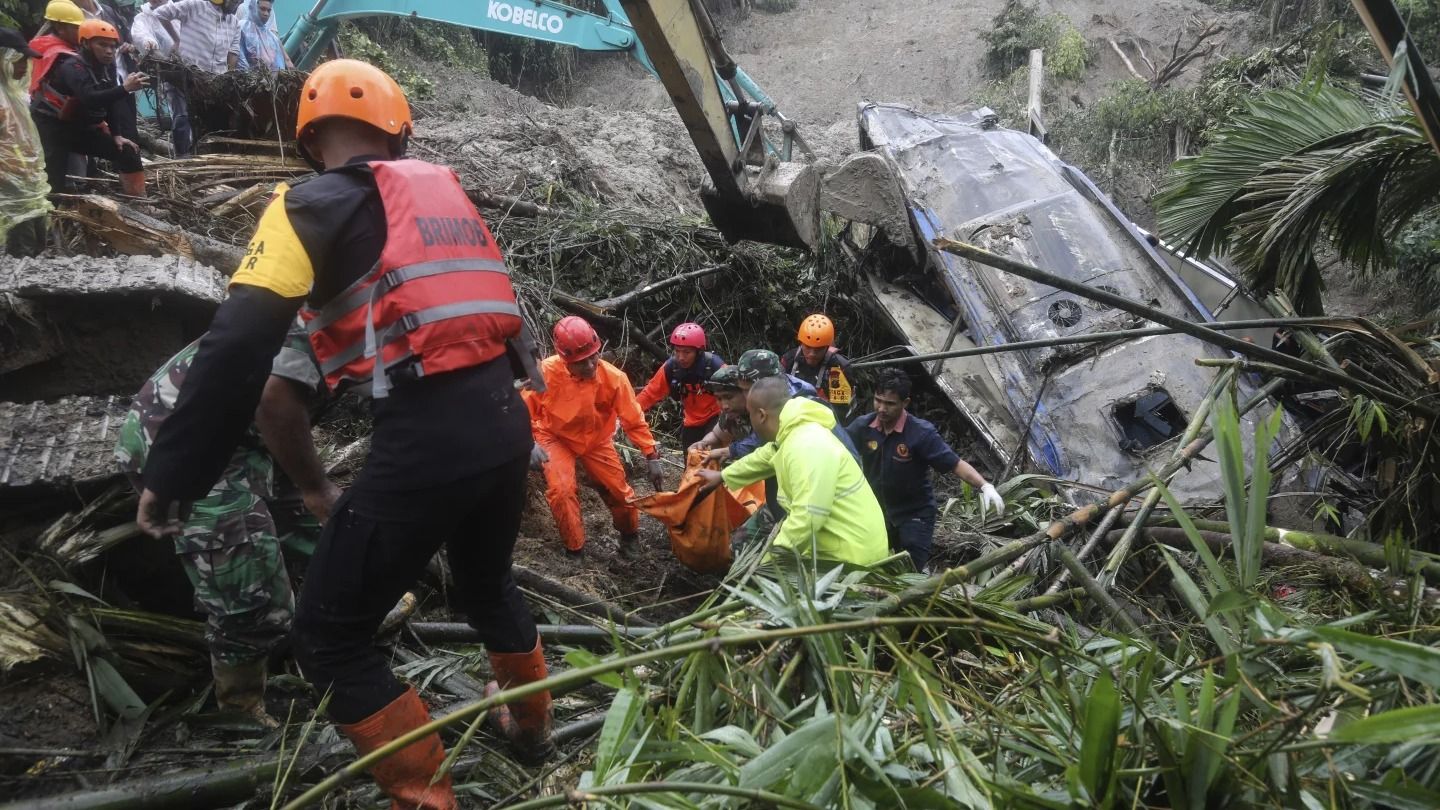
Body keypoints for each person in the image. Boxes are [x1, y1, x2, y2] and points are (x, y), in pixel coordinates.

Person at [132, 60, 552, 807]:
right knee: (489, 584)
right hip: (505, 420)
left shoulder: (304, 206)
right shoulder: (441, 193)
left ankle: (428, 800)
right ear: (399, 129)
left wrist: (175, 472)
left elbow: (238, 345)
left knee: (328, 638)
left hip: (428, 441)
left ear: (308, 136)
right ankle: (532, 726)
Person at [114, 322, 333, 728]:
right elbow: (273, 400)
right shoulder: (323, 323)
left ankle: (340, 617)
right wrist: (316, 486)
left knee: (314, 532)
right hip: (182, 449)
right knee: (252, 596)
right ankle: (240, 708)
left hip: (247, 438)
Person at [697, 376, 887, 566]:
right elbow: (767, 455)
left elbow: (807, 517)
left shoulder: (807, 445)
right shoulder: (792, 432)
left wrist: (767, 563)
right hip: (836, 542)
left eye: (750, 413)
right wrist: (723, 476)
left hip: (850, 556)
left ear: (761, 415)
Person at [524, 315, 666, 557]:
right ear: (565, 359)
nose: (590, 366)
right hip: (554, 436)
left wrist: (651, 455)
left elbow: (633, 418)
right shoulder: (546, 373)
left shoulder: (614, 379)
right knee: (562, 491)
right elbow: (522, 411)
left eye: (593, 357)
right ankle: (574, 549)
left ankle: (629, 535)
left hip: (596, 440)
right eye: (581, 362)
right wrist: (527, 444)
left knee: (619, 491)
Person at [847, 368, 1005, 570]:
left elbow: (954, 464)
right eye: (878, 400)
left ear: (905, 403)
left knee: (910, 569)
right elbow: (837, 449)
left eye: (890, 404)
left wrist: (984, 486)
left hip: (915, 514)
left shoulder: (920, 433)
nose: (881, 408)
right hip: (876, 510)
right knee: (875, 565)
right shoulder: (863, 426)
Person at [30, 15, 149, 196]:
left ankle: (140, 202)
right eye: (102, 45)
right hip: (52, 127)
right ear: (85, 44)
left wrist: (117, 135)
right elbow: (90, 98)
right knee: (54, 179)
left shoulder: (106, 66)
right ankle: (53, 216)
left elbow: (110, 102)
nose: (109, 51)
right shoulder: (72, 66)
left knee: (127, 151)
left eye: (112, 46)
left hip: (79, 127)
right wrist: (124, 89)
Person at [152, 0, 242, 156]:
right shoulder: (195, 6)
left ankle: (204, 160)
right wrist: (176, 39)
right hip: (185, 78)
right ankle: (182, 163)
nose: (237, 4)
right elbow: (161, 13)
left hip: (213, 83)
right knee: (183, 119)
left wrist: (228, 75)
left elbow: (233, 53)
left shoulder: (234, 23)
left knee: (207, 126)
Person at [0, 28, 51, 256]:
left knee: (39, 240)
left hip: (27, 182)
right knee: (21, 247)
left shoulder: (14, 94)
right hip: (9, 187)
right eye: (19, 60)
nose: (24, 67)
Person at [635, 321, 725, 449]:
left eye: (686, 352)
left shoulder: (715, 366)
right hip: (691, 421)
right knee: (691, 460)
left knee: (708, 456)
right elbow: (649, 394)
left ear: (698, 352)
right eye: (677, 351)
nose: (681, 357)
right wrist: (627, 414)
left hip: (715, 416)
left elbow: (735, 393)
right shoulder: (671, 368)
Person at [780, 313, 855, 416]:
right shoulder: (789, 360)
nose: (812, 354)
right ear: (801, 343)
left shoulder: (837, 369)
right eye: (807, 347)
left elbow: (841, 411)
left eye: (819, 349)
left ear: (828, 347)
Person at [235, 0, 289, 71]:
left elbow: (279, 67)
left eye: (269, 11)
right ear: (254, 8)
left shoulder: (272, 38)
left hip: (269, 80)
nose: (266, 14)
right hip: (248, 79)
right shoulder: (242, 28)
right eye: (262, 9)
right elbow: (240, 58)